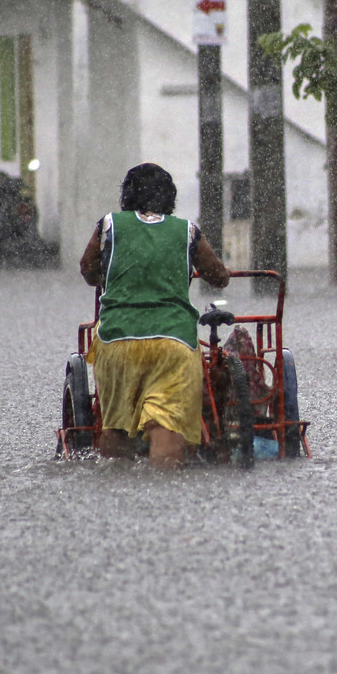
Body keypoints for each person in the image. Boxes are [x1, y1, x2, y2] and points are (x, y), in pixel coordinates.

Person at [79, 163, 230, 468]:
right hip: (172, 341)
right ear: (170, 198)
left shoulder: (109, 224)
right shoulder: (186, 230)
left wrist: (106, 279)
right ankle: (162, 498)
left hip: (117, 339)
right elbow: (219, 276)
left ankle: (117, 487)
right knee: (165, 424)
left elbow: (87, 267)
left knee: (116, 425)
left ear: (127, 196)